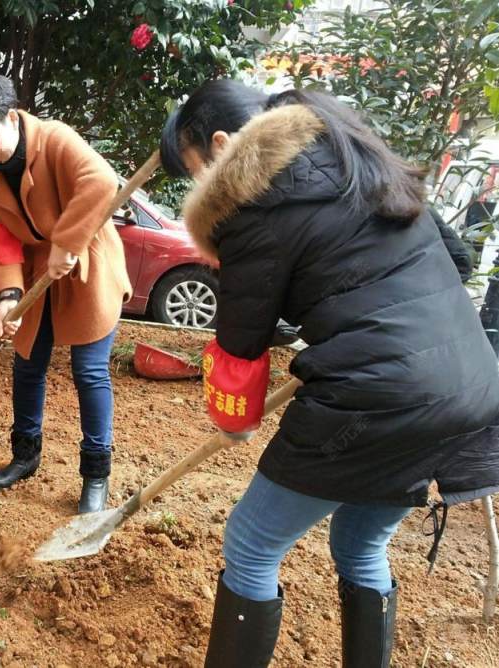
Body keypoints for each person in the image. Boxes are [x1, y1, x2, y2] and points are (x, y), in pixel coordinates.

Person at [159, 79, 499, 667]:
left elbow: (241, 344)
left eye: (196, 171)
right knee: (361, 543)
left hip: (378, 399)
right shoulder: (358, 159)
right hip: (472, 384)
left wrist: (233, 420)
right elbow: (458, 258)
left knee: (251, 543)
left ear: (222, 144)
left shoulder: (252, 204)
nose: (200, 187)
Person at [0, 73, 131, 514]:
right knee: (28, 364)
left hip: (88, 261)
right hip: (35, 272)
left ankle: (95, 474)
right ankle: (25, 456)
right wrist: (8, 294)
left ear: (11, 117)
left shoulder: (57, 140)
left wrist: (67, 243)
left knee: (89, 371)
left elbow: (103, 184)